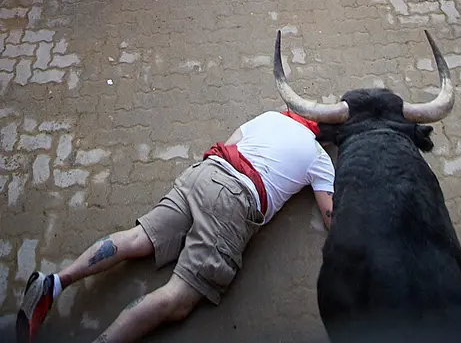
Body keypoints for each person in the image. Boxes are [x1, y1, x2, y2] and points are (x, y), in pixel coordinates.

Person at [16, 110, 336, 343]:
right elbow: (330, 218)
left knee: (137, 238)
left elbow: (231, 141)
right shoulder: (318, 156)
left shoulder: (271, 117)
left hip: (205, 171)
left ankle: (53, 283)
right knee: (178, 297)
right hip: (235, 200)